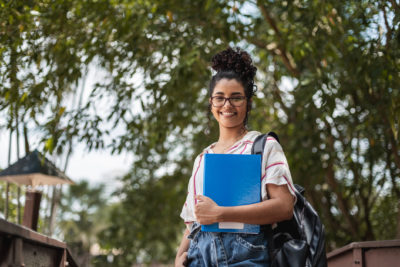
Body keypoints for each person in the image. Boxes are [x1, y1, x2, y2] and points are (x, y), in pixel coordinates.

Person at [175, 47, 296, 266]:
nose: (227, 105)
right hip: (198, 258)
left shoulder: (264, 146)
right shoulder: (202, 159)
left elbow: (284, 207)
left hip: (247, 257)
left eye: (236, 98)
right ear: (211, 103)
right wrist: (178, 257)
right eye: (219, 98)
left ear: (248, 102)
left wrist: (221, 213)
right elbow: (193, 221)